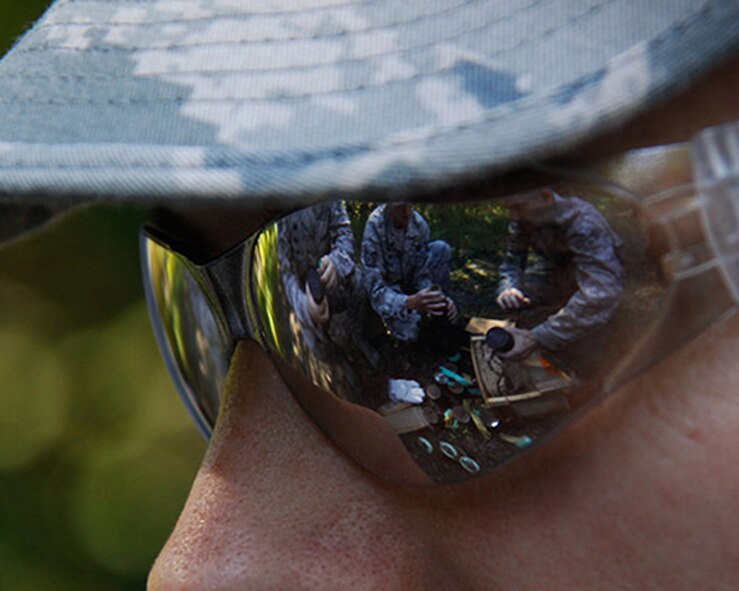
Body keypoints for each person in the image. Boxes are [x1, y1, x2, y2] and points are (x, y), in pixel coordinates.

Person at [0, 2, 737, 590]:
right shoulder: (392, 251)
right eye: (188, 301)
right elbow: (381, 285)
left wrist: (514, 327)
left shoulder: (463, 248)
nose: (196, 566)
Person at [495, 188, 625, 361]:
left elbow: (602, 292)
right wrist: (509, 288)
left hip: (603, 275)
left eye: (519, 207)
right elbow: (512, 262)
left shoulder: (583, 222)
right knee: (527, 293)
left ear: (546, 197)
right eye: (510, 208)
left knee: (594, 346)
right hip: (560, 272)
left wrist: (540, 336)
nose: (515, 215)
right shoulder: (524, 217)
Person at [361, 202, 457, 342]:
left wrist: (435, 297)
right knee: (410, 333)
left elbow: (422, 273)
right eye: (400, 207)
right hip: (390, 293)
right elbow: (375, 291)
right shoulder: (375, 227)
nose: (406, 211)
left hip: (411, 285)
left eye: (409, 205)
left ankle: (438, 315)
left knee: (441, 249)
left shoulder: (419, 225)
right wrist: (409, 302)